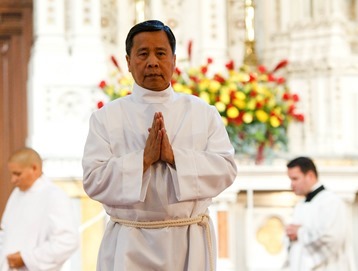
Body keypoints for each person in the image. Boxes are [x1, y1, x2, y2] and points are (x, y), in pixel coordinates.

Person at [82, 20, 237, 271]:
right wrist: (142, 160)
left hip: (187, 239)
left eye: (161, 53)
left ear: (174, 61)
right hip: (129, 243)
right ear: (128, 62)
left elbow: (226, 169)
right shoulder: (106, 118)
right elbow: (93, 180)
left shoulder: (202, 113)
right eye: (143, 54)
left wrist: (175, 158)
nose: (152, 62)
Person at [0, 147, 79, 271]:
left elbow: (68, 241)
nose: (13, 180)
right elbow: (5, 233)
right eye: (12, 174)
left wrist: (26, 258)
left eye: (17, 174)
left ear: (34, 168)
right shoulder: (16, 194)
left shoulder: (54, 195)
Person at [285, 156, 352, 271]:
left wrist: (299, 232)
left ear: (310, 176)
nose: (291, 184)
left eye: (295, 179)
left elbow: (331, 238)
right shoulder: (300, 205)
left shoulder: (331, 201)